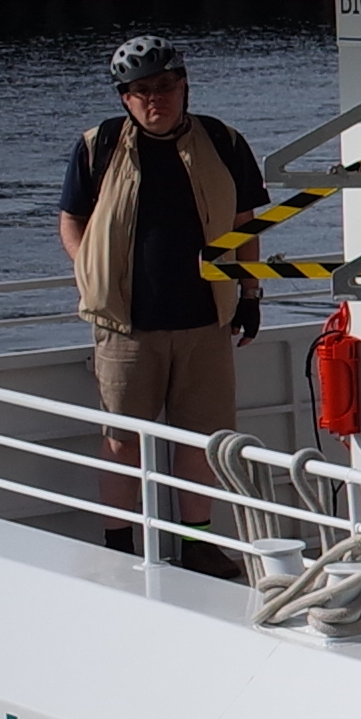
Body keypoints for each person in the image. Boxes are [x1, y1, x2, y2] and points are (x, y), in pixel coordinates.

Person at [58, 33, 266, 552]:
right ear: (124, 98)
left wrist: (250, 295)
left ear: (184, 85)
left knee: (201, 442)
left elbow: (246, 224)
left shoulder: (225, 142)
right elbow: (71, 221)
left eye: (166, 85)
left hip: (206, 323)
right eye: (142, 89)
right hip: (125, 327)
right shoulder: (97, 146)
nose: (157, 98)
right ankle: (119, 546)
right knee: (122, 441)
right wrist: (91, 272)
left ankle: (197, 545)